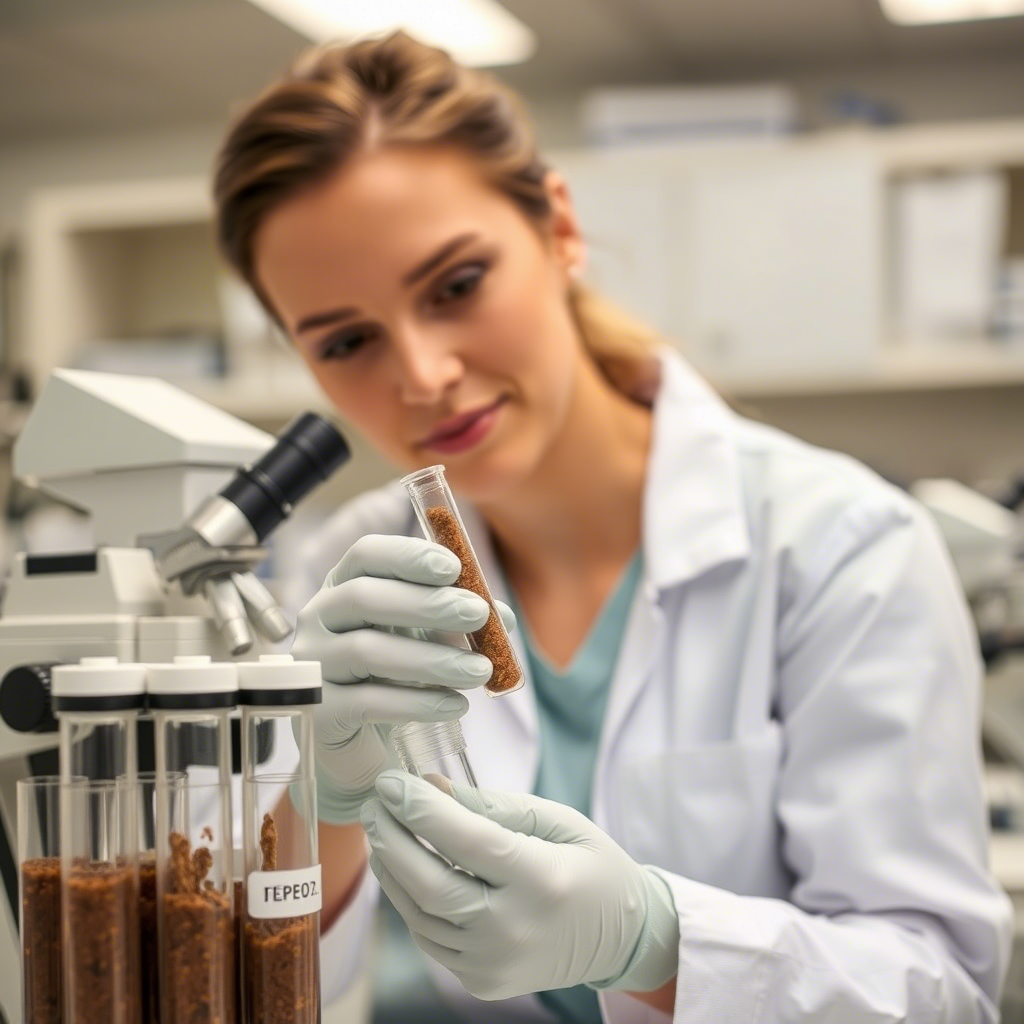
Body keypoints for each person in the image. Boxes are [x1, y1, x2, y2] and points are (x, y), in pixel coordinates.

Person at [212, 31, 1013, 1023]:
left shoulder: (840, 545)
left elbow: (944, 990)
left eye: (456, 285)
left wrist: (655, 942)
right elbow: (230, 982)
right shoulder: (339, 580)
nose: (420, 374)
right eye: (345, 340)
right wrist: (315, 805)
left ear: (557, 228)